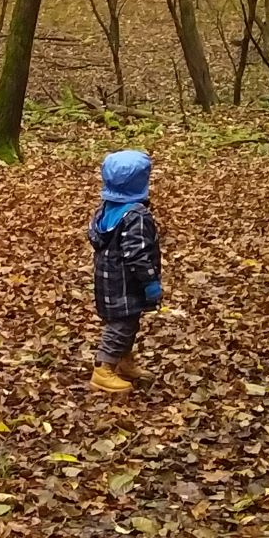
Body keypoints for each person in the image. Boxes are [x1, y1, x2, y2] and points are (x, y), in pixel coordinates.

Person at [88, 148, 162, 393]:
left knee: (127, 322)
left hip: (107, 280)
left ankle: (123, 361)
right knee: (121, 325)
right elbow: (138, 254)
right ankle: (103, 368)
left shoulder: (106, 208)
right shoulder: (136, 215)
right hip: (126, 283)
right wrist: (151, 283)